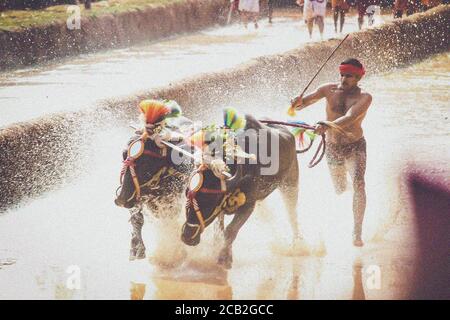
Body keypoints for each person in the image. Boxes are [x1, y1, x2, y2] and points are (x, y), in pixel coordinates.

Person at [290, 58, 372, 246]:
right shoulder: (328, 89)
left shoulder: (365, 97)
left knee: (359, 183)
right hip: (333, 147)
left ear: (359, 77)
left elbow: (350, 117)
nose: (344, 79)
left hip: (355, 146)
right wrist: (296, 102)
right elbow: (304, 103)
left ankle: (357, 232)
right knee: (340, 189)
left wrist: (326, 125)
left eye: (349, 76)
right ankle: (355, 200)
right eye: (342, 75)